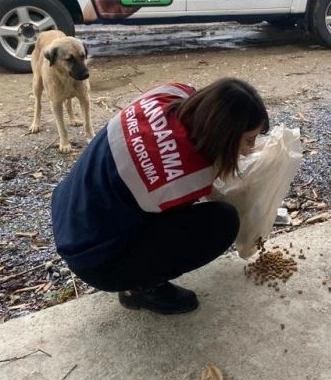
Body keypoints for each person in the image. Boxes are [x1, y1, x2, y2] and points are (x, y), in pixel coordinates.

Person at [50, 78, 269, 314]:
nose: (250, 150)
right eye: (248, 140)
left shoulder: (173, 92)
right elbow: (184, 215)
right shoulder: (188, 175)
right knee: (222, 223)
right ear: (225, 134)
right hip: (94, 261)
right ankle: (139, 289)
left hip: (68, 211)